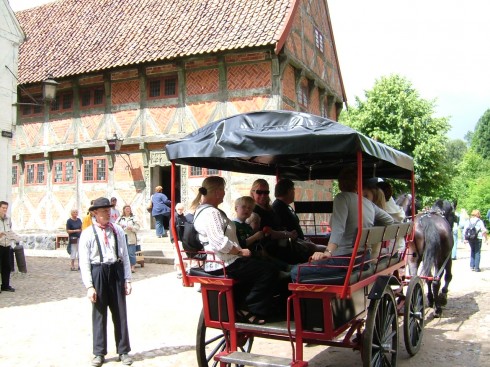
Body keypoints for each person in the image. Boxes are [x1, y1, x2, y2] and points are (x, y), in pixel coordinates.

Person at [192, 176, 278, 324]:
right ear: (218, 192)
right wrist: (240, 251)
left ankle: (242, 304)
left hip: (219, 261)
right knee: (269, 270)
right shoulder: (211, 213)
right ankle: (249, 309)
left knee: (260, 263)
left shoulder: (202, 210)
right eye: (223, 190)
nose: (224, 194)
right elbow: (220, 242)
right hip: (224, 263)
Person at [290, 167, 394, 282]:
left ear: (340, 183)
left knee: (296, 272)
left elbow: (338, 229)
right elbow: (389, 220)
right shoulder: (368, 203)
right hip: (364, 258)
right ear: (357, 183)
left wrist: (327, 252)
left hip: (345, 261)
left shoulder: (342, 198)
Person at [78, 197, 133, 367]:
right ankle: (99, 353)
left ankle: (123, 351)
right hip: (98, 272)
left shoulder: (117, 230)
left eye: (109, 210)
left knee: (120, 313)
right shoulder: (87, 234)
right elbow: (84, 262)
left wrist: (127, 279)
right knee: (99, 314)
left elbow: (124, 256)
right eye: (103, 211)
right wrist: (89, 286)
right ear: (95, 213)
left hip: (115, 271)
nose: (108, 214)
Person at [272, 178, 324, 263]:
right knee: (325, 250)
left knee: (320, 248)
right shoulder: (278, 208)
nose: (294, 193)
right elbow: (283, 230)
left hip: (299, 242)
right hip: (292, 246)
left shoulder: (285, 206)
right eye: (293, 190)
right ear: (289, 191)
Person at [250, 179, 299, 267]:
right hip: (266, 249)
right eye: (259, 192)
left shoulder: (270, 209)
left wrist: (288, 234)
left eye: (266, 192)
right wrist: (287, 234)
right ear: (252, 192)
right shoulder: (252, 211)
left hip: (281, 245)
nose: (263, 195)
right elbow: (267, 233)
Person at [0, 201, 19, 293]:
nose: (4, 210)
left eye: (6, 208)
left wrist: (14, 237)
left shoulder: (8, 219)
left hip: (7, 245)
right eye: (3, 208)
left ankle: (5, 285)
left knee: (7, 266)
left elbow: (10, 230)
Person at [117, 205, 141, 274]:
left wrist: (132, 228)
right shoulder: (120, 218)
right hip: (122, 236)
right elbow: (115, 225)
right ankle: (125, 267)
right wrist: (119, 226)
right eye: (126, 209)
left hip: (130, 236)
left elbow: (138, 226)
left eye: (129, 209)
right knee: (123, 252)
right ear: (124, 210)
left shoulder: (133, 218)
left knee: (131, 253)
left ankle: (132, 266)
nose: (128, 210)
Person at [169, 203, 189, 278]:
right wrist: (173, 240)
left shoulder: (184, 218)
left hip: (183, 240)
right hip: (177, 239)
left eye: (181, 209)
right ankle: (178, 271)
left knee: (183, 255)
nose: (180, 211)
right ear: (176, 209)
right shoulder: (174, 218)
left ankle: (183, 270)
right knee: (178, 255)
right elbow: (171, 229)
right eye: (178, 209)